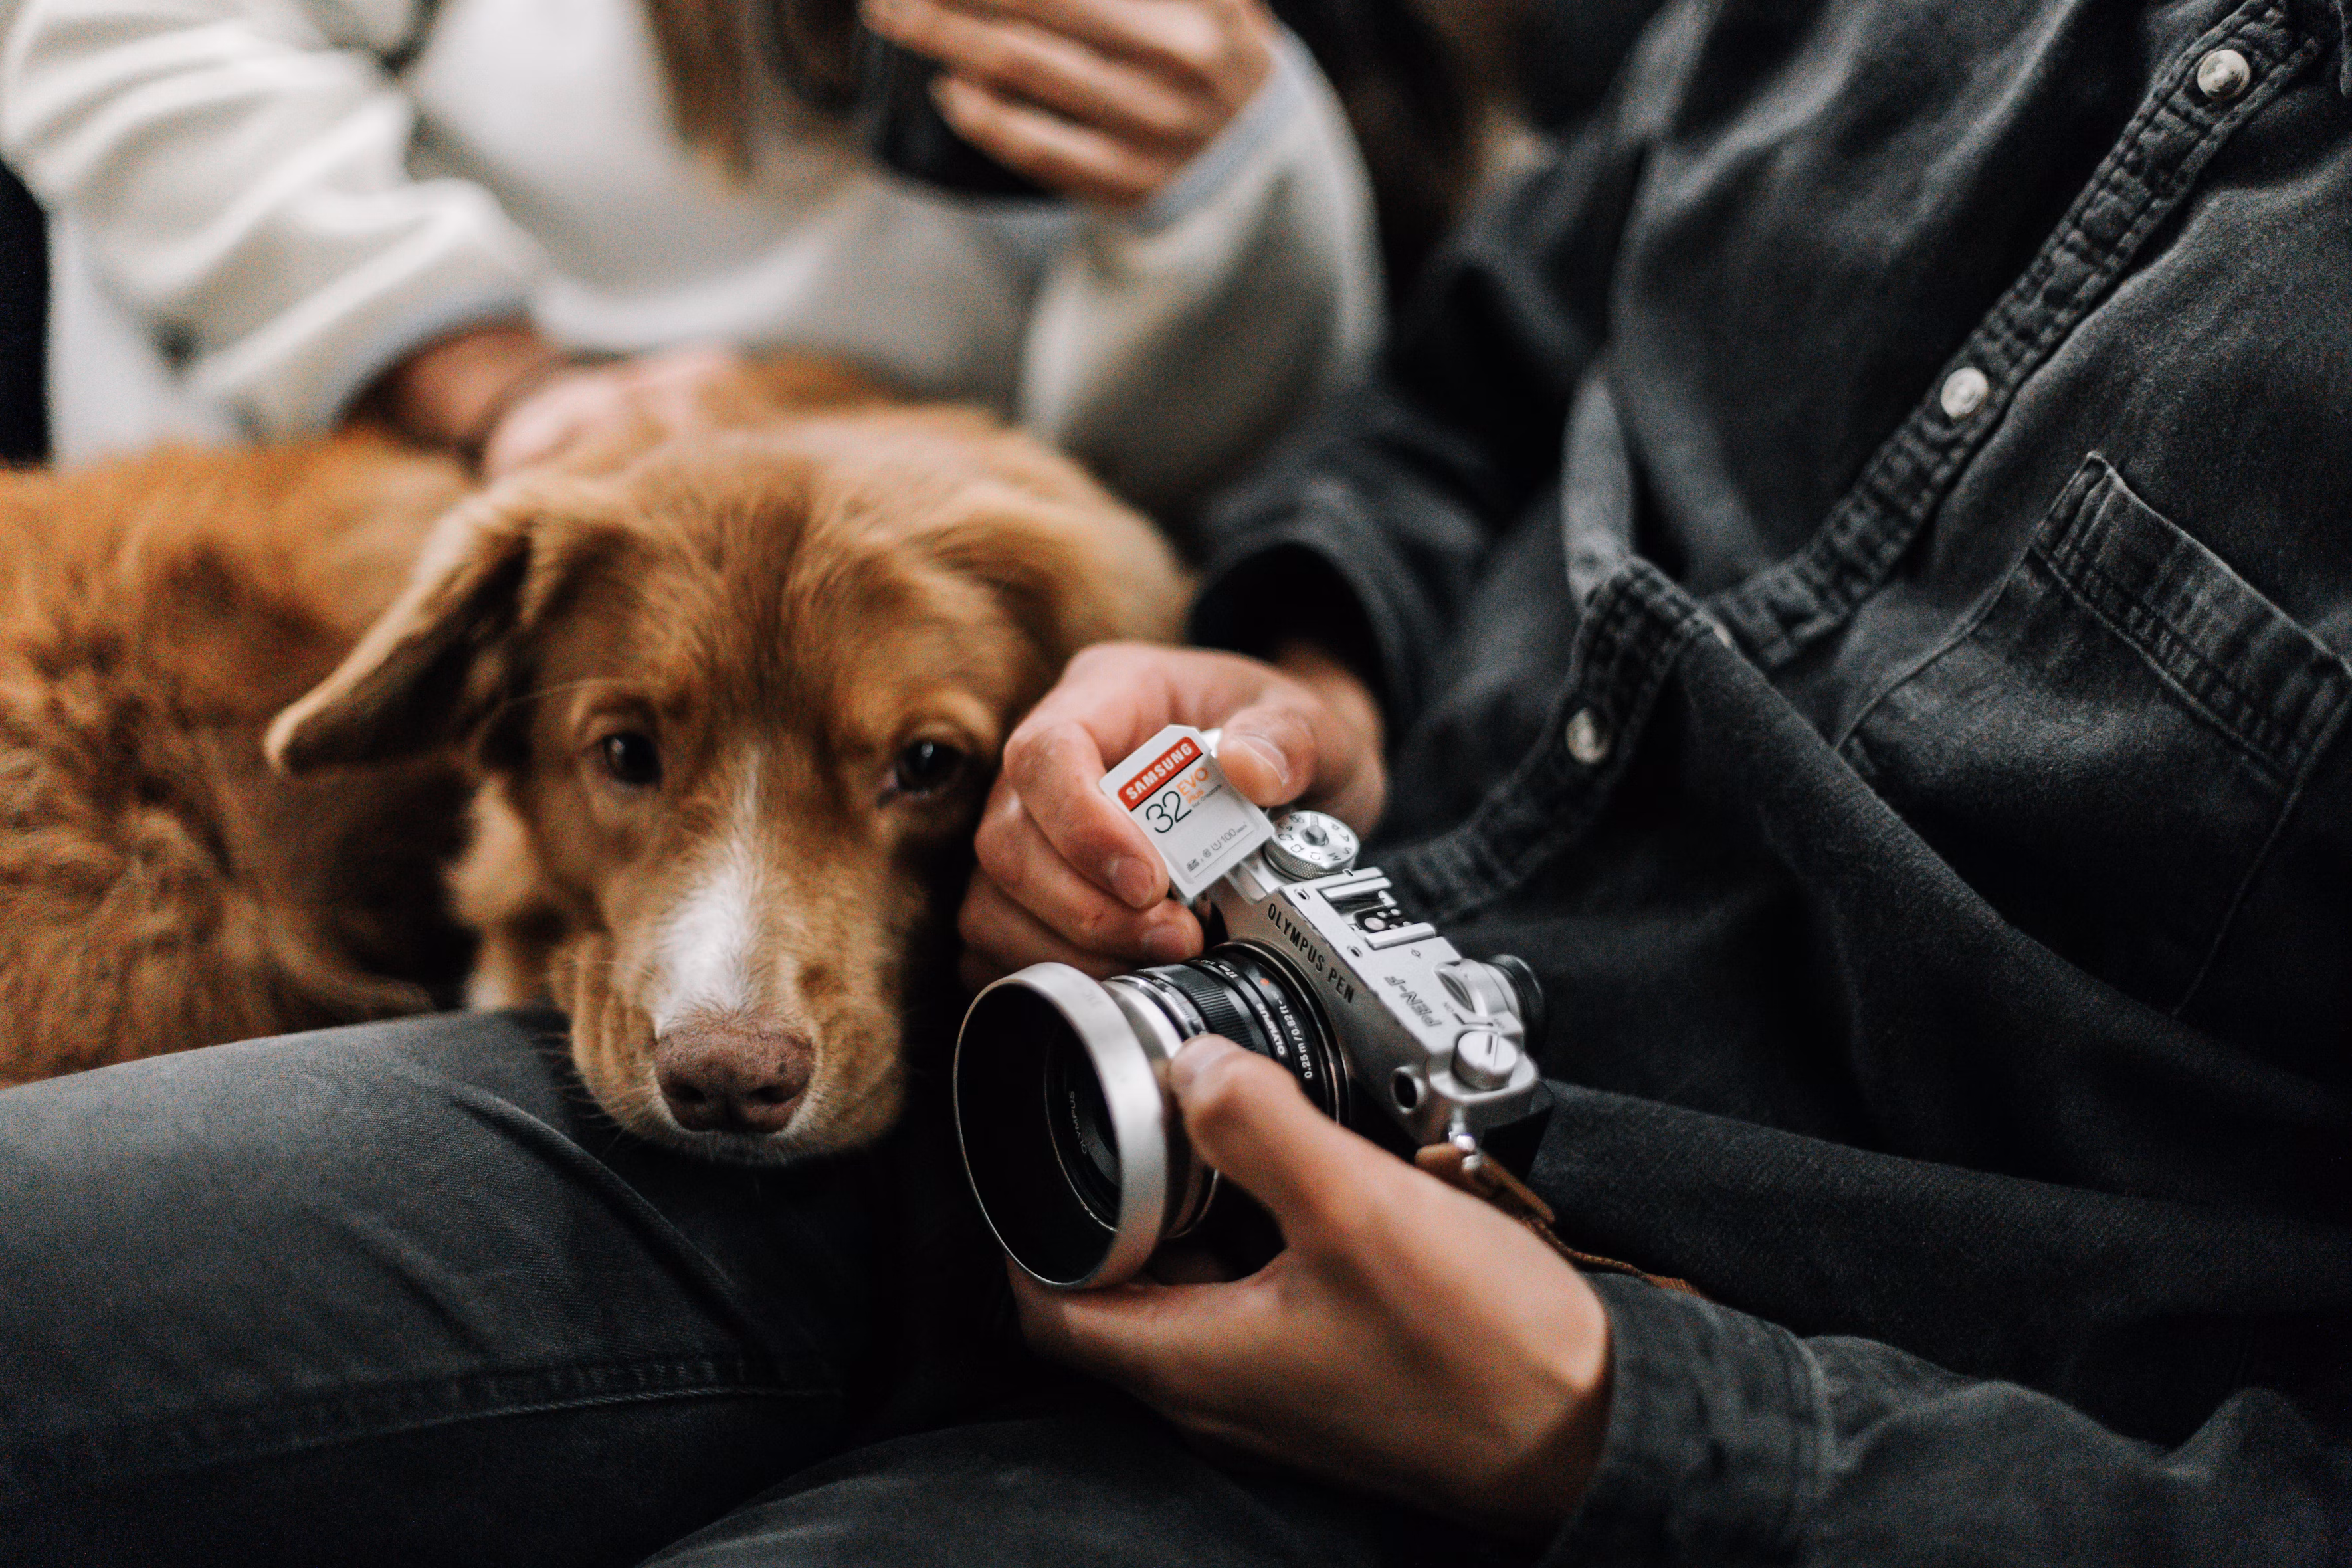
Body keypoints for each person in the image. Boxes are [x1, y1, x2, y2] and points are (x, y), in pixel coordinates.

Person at [3, 0, 2349, 1564]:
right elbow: (1478, 383)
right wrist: (1299, 669)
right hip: (1071, 1045)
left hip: (1644, 1356)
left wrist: (1630, 1419)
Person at [0, 0, 1379, 520]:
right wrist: (493, 379)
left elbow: (1194, 496)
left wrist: (1231, 188)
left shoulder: (1341, 81)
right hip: (291, 542)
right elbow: (124, 28)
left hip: (864, 699)